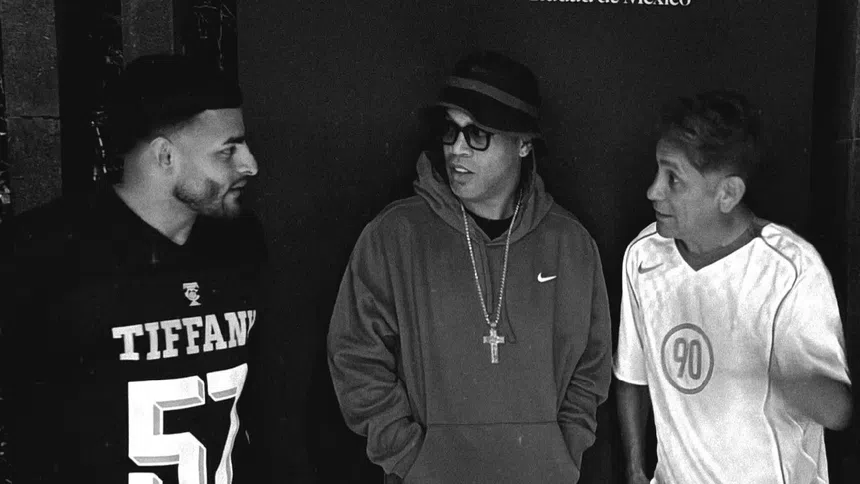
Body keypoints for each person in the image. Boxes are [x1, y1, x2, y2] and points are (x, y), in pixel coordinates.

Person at [327, 51, 612, 483]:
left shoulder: (570, 245)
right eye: (451, 130)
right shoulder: (395, 235)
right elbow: (354, 356)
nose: (457, 149)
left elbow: (592, 365)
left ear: (523, 143)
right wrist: (412, 460)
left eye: (478, 134)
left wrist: (562, 454)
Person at [0, 54, 265, 483]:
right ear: (165, 156)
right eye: (228, 150)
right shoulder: (42, 255)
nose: (250, 164)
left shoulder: (239, 242)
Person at [614, 91, 853, 484]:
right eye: (657, 171)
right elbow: (631, 374)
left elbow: (836, 409)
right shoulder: (643, 257)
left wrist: (774, 372)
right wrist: (636, 470)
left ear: (727, 194)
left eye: (673, 178)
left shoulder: (789, 270)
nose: (653, 191)